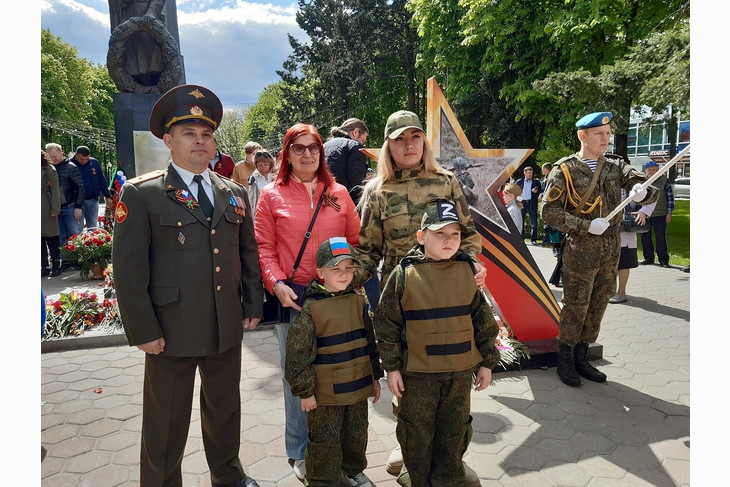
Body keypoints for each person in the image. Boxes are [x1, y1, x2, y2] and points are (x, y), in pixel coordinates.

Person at [111, 84, 263, 487]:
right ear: (168, 140)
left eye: (207, 134)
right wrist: (143, 330)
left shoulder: (232, 193)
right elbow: (128, 270)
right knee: (166, 420)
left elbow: (247, 253)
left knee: (225, 409)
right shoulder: (143, 194)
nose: (200, 142)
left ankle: (228, 475)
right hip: (170, 330)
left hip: (223, 324)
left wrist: (251, 303)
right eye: (189, 134)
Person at [353, 109, 485, 484]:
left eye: (414, 138)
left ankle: (450, 455)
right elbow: (368, 250)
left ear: (423, 143)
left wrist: (472, 263)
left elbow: (470, 233)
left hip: (449, 296)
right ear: (388, 146)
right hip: (404, 299)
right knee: (407, 375)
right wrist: (343, 285)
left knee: (451, 372)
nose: (408, 145)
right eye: (399, 139)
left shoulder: (446, 183)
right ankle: (410, 446)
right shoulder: (378, 192)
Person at [253, 122, 361, 481]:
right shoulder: (271, 195)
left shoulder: (340, 193)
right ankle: (299, 451)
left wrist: (352, 279)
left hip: (336, 299)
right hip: (295, 298)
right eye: (297, 148)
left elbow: (356, 241)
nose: (306, 154)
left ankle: (344, 453)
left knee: (341, 372)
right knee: (296, 377)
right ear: (286, 153)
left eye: (312, 147)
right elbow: (263, 248)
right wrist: (276, 283)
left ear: (321, 152)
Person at [373, 201, 500, 486]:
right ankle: (416, 479)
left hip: (458, 374)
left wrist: (487, 364)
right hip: (417, 376)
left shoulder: (468, 272)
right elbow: (386, 323)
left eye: (454, 234)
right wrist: (391, 368)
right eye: (439, 233)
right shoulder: (404, 274)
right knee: (416, 432)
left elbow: (483, 321)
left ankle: (449, 478)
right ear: (421, 237)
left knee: (454, 430)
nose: (448, 240)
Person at [541, 111, 657, 388]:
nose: (605, 138)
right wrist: (583, 225)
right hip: (582, 246)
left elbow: (646, 187)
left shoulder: (616, 166)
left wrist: (642, 191)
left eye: (607, 133)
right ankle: (565, 358)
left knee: (599, 302)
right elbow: (548, 212)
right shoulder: (565, 169)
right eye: (599, 134)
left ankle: (583, 355)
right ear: (583, 136)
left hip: (611, 246)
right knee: (576, 303)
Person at [284, 237, 382, 486]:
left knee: (356, 435)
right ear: (320, 272)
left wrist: (375, 376)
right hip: (326, 395)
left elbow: (368, 341)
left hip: (358, 388)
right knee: (324, 441)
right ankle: (323, 480)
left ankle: (352, 472)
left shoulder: (358, 301)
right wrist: (305, 392)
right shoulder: (311, 309)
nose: (344, 274)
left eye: (349, 268)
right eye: (335, 269)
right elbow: (297, 356)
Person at [610, 191, 657, 304]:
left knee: (623, 265)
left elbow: (653, 194)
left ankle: (621, 293)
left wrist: (643, 212)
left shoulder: (630, 182)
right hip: (610, 232)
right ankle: (609, 290)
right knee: (611, 264)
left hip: (625, 233)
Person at [45, 142, 85, 270]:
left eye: (55, 156)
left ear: (62, 154)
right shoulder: (47, 169)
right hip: (56, 208)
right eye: (50, 157)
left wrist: (78, 206)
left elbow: (80, 187)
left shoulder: (71, 167)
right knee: (61, 235)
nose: (53, 159)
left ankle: (79, 259)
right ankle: (66, 261)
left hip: (70, 206)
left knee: (74, 234)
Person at [323, 118, 370, 205]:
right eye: (363, 140)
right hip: (344, 206)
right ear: (356, 132)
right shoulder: (354, 146)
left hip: (322, 203)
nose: (362, 144)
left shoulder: (322, 147)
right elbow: (357, 186)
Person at [639, 161, 675, 267]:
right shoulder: (641, 182)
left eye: (654, 169)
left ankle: (663, 260)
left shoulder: (664, 181)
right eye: (650, 169)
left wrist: (669, 212)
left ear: (658, 170)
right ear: (645, 171)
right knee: (645, 237)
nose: (652, 171)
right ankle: (648, 258)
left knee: (661, 238)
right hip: (644, 215)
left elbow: (670, 198)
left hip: (660, 214)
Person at [71, 146, 113, 229]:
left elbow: (101, 180)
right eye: (81, 159)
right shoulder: (70, 165)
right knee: (77, 229)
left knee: (93, 228)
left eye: (86, 159)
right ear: (76, 155)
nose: (84, 161)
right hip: (76, 203)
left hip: (93, 201)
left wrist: (107, 196)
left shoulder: (94, 163)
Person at [41, 150, 63, 277]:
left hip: (46, 205)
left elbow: (55, 190)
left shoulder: (49, 169)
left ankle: (56, 265)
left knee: (52, 236)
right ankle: (44, 266)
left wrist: (55, 209)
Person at [515, 166, 542, 245]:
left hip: (531, 202)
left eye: (531, 173)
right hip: (522, 202)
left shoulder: (536, 182)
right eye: (529, 173)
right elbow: (514, 191)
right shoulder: (519, 181)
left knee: (534, 222)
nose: (531, 174)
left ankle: (533, 239)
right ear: (525, 173)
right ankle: (521, 239)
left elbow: (540, 191)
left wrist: (536, 191)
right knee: (521, 221)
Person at [246, 149, 276, 216]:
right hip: (263, 211)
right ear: (256, 165)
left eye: (265, 165)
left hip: (277, 207)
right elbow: (251, 199)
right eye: (260, 165)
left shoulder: (277, 176)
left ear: (270, 164)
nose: (263, 167)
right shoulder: (254, 179)